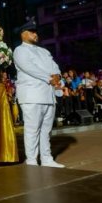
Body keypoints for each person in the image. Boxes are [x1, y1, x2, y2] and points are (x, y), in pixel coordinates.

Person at [13, 20, 65, 168]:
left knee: (46, 130)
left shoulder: (44, 51)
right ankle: (31, 160)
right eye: (32, 32)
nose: (35, 34)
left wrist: (58, 77)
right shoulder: (20, 50)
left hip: (48, 94)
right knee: (32, 129)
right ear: (23, 34)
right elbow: (29, 68)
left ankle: (47, 158)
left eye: (36, 32)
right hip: (32, 95)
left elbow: (55, 67)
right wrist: (50, 78)